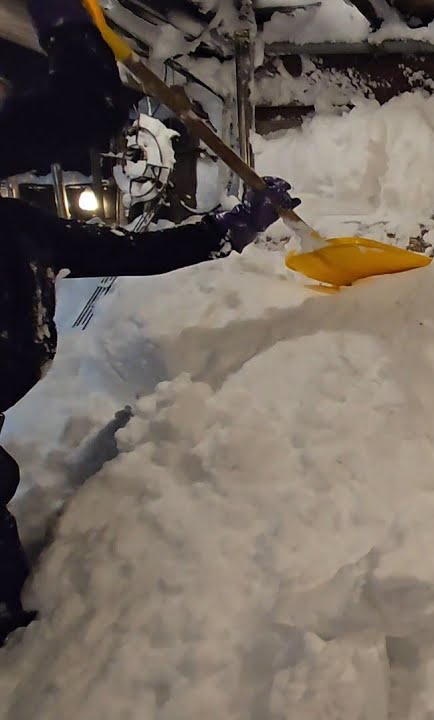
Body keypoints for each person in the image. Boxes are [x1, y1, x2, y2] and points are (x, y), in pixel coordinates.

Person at [0, 0, 300, 644]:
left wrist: (227, 232)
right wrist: (68, 27)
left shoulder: (14, 226)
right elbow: (90, 104)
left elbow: (121, 252)